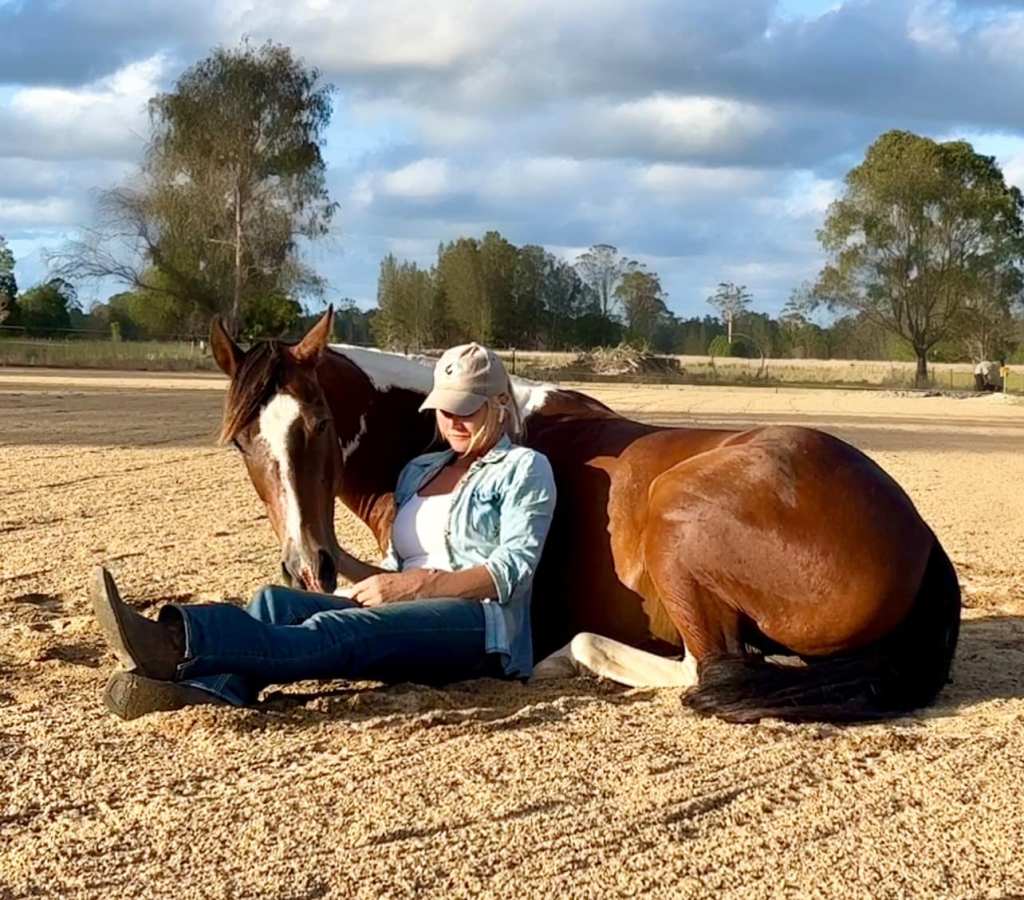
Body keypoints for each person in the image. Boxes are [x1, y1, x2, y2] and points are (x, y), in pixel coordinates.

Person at [91, 343, 557, 720]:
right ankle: (212, 691)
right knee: (275, 602)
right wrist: (342, 559)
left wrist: (415, 586)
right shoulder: (421, 470)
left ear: (499, 405)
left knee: (339, 630)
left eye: (468, 409)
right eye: (444, 409)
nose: (454, 421)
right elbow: (396, 570)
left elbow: (512, 569)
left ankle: (175, 641)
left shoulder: (523, 468)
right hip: (414, 607)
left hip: (480, 626)